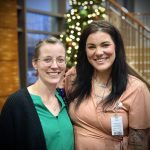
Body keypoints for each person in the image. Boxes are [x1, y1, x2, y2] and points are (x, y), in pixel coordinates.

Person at [65, 20, 150, 150]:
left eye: (105, 45)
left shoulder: (137, 89)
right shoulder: (73, 77)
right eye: (91, 47)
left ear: (116, 47)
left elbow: (139, 144)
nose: (98, 52)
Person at [0, 37, 74, 150]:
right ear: (35, 63)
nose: (55, 66)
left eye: (60, 60)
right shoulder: (16, 104)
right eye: (47, 60)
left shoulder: (65, 100)